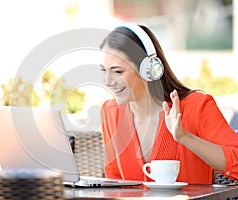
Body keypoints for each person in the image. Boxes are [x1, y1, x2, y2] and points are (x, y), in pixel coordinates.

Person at [99, 22, 238, 184]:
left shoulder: (197, 107)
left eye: (117, 72)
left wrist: (185, 137)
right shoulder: (110, 111)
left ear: (148, 68)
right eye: (104, 70)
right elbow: (113, 181)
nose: (107, 81)